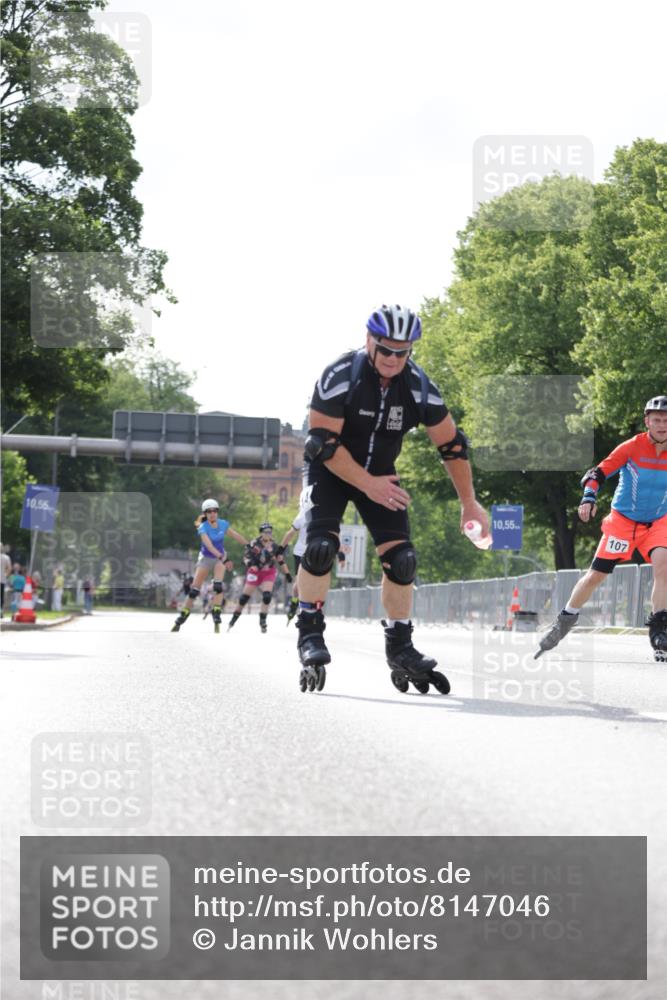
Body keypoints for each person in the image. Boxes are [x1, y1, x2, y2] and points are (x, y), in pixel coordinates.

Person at [295, 303, 489, 694]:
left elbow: (452, 445)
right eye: (386, 350)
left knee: (403, 561)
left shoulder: (418, 386)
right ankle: (309, 631)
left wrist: (469, 502)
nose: (393, 359)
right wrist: (369, 484)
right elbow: (323, 444)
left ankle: (400, 645)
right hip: (331, 469)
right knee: (319, 548)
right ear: (369, 341)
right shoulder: (340, 376)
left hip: (381, 476)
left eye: (403, 352)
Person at [535, 395, 667, 662]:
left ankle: (659, 630)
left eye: (666, 420)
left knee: (663, 565)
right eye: (657, 420)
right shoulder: (632, 447)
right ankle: (566, 618)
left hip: (659, 521)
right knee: (596, 576)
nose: (662, 425)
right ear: (647, 421)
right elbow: (598, 473)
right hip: (623, 523)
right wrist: (588, 498)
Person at [172, 499, 247, 633]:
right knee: (194, 590)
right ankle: (183, 615)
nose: (212, 513)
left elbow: (235, 535)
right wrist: (223, 558)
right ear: (205, 514)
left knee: (218, 586)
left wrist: (249, 545)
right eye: (209, 511)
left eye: (215, 511)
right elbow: (210, 546)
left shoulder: (223, 524)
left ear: (217, 512)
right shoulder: (203, 527)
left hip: (220, 557)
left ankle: (216, 613)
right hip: (207, 557)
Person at [227, 523, 293, 633]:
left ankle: (263, 620)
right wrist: (251, 565)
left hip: (268, 572)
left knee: (267, 596)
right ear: (261, 533)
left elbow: (280, 560)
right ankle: (233, 619)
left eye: (270, 532)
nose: (268, 534)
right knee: (244, 598)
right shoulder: (254, 544)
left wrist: (287, 574)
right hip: (255, 572)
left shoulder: (275, 546)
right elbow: (246, 558)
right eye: (266, 532)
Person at [281, 510, 345, 623]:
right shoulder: (303, 515)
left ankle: (314, 610)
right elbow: (291, 532)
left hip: (319, 550)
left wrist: (341, 554)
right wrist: (280, 548)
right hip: (301, 552)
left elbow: (334, 536)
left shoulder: (328, 514)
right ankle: (295, 602)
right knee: (299, 584)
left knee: (319, 579)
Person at [0, 545, 11, 618]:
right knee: (1, 597)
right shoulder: (6, 557)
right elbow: (9, 568)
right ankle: (0, 612)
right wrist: (6, 575)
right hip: (2, 579)